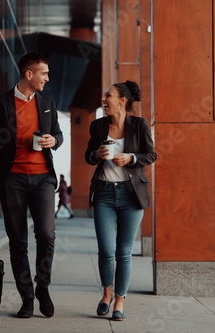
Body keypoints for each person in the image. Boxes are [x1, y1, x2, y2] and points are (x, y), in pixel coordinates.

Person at [0, 52, 63, 318]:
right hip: (13, 180)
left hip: (43, 177)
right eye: (43, 73)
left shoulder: (47, 102)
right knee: (17, 241)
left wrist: (53, 141)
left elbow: (58, 133)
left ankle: (42, 285)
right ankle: (27, 298)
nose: (47, 78)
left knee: (46, 234)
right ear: (29, 74)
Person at [85, 80, 156, 321]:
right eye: (104, 95)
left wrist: (131, 157)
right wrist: (96, 154)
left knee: (123, 253)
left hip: (131, 195)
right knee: (106, 250)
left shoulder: (139, 125)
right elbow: (88, 155)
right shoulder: (97, 126)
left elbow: (151, 154)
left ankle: (119, 302)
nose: (104, 100)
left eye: (108, 95)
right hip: (104, 193)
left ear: (122, 101)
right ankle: (106, 295)